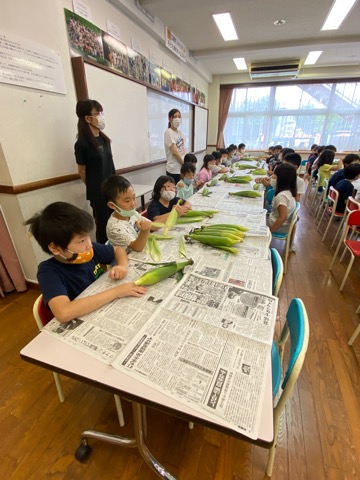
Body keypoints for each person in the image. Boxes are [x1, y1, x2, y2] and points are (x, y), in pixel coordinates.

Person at [25, 202, 147, 323]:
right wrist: (117, 291)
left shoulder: (90, 249)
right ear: (55, 248)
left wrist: (122, 266)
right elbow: (63, 313)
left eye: (88, 236)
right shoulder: (48, 272)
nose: (89, 245)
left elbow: (118, 250)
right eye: (82, 241)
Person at [75, 99, 115, 244]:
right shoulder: (82, 143)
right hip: (98, 193)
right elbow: (82, 171)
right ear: (87, 118)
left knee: (116, 223)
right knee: (103, 226)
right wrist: (94, 187)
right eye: (97, 113)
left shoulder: (104, 140)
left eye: (101, 113)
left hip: (113, 190)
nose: (101, 116)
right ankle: (105, 257)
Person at [102, 175, 152, 251]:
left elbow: (151, 225)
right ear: (112, 205)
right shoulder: (114, 228)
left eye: (134, 197)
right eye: (127, 201)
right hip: (128, 258)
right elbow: (138, 247)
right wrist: (144, 231)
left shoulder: (132, 214)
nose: (133, 204)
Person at [266, 164, 297, 234]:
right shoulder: (289, 192)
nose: (272, 177)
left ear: (281, 179)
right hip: (282, 224)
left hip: (278, 226)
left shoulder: (281, 196)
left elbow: (283, 217)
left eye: (274, 175)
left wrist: (270, 232)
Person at [164, 108, 186, 183]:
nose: (177, 119)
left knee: (182, 191)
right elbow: (175, 152)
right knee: (175, 192)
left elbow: (183, 148)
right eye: (175, 116)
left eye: (179, 117)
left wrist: (186, 162)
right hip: (173, 170)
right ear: (170, 119)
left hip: (181, 168)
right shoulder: (168, 132)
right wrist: (184, 164)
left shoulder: (180, 132)